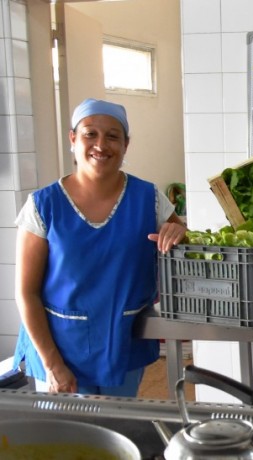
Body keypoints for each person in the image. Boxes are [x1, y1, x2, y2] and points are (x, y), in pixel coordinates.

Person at [13, 98, 187, 397]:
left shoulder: (149, 198)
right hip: (58, 347)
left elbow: (185, 242)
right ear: (73, 139)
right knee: (65, 441)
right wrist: (53, 365)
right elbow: (26, 293)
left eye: (112, 136)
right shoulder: (44, 205)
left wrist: (179, 231)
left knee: (117, 434)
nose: (101, 144)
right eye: (90, 134)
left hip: (123, 343)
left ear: (126, 145)